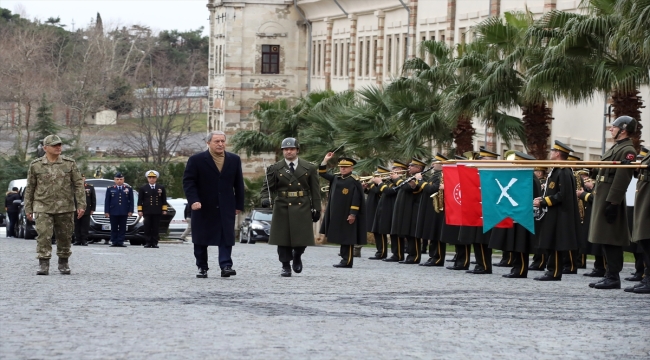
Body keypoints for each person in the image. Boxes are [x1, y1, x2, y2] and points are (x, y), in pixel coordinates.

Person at [183, 131, 245, 278]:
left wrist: (238, 205)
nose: (220, 144)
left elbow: (239, 184)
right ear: (208, 143)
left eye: (222, 141)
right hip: (203, 205)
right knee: (200, 238)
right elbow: (188, 182)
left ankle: (226, 266)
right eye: (217, 141)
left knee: (226, 237)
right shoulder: (196, 160)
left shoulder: (234, 159)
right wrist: (194, 200)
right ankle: (202, 267)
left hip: (226, 205)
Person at [23, 134, 86, 275]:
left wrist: (81, 204)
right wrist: (28, 207)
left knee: (65, 236)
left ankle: (63, 262)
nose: (58, 147)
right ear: (45, 148)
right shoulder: (36, 165)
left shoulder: (69, 163)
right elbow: (30, 188)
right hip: (42, 206)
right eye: (55, 145)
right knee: (43, 235)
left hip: (65, 206)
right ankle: (43, 263)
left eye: (60, 145)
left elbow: (78, 185)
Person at [587, 116, 637, 290]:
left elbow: (622, 178)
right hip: (603, 194)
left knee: (611, 238)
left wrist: (613, 202)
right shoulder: (617, 147)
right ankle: (609, 275)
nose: (611, 129)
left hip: (610, 197)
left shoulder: (627, 150)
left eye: (613, 127)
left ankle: (613, 276)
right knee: (604, 237)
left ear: (622, 129)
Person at [260, 137, 321, 277]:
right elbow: (267, 188)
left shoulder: (309, 167)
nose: (289, 152)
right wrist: (264, 198)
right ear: (282, 151)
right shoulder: (275, 168)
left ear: (297, 150)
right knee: (282, 238)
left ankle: (298, 255)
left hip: (302, 203)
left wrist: (316, 208)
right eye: (286, 149)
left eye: (292, 149)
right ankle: (285, 265)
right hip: (282, 204)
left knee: (302, 237)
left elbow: (315, 190)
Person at [533, 140, 581, 281]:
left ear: (558, 153)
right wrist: (541, 198)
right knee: (551, 242)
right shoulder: (557, 169)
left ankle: (554, 272)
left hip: (560, 213)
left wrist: (544, 201)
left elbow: (563, 194)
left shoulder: (564, 171)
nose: (551, 153)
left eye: (553, 151)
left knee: (556, 243)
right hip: (553, 212)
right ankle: (551, 270)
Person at [489, 151, 540, 278]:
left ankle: (521, 269)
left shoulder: (530, 178)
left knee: (522, 244)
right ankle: (516, 268)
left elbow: (531, 197)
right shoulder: (522, 176)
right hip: (517, 213)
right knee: (517, 243)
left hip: (525, 216)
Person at [319, 155, 366, 268]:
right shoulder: (336, 178)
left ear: (351, 168)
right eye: (341, 167)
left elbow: (357, 198)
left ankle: (347, 261)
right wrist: (325, 160)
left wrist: (352, 214)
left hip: (348, 213)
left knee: (348, 237)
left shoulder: (353, 181)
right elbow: (322, 173)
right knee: (342, 236)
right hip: (338, 213)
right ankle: (344, 259)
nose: (343, 169)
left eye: (345, 167)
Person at [391, 158, 427, 264]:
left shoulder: (420, 177)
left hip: (413, 209)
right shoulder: (411, 177)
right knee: (407, 233)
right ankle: (410, 255)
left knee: (412, 234)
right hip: (405, 209)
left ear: (418, 168)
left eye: (412, 165)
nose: (409, 167)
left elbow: (408, 188)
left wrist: (397, 179)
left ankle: (414, 256)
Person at [628, 145, 650, 293]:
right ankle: (647, 277)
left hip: (647, 199)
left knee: (646, 240)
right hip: (644, 198)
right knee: (644, 240)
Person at [418, 154, 447, 267]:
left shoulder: (441, 175)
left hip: (438, 208)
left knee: (436, 233)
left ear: (442, 165)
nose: (433, 164)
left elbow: (432, 189)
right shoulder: (434, 175)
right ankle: (433, 256)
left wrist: (421, 181)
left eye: (436, 162)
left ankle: (438, 257)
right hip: (431, 207)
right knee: (432, 233)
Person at [377, 161, 408, 262]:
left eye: (396, 169)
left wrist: (379, 183)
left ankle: (398, 254)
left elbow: (390, 191)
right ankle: (395, 253)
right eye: (393, 168)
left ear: (402, 171)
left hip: (395, 208)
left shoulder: (402, 181)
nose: (393, 170)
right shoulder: (391, 181)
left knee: (396, 233)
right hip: (388, 209)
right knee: (392, 233)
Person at [137, 170, 169, 248]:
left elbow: (164, 199)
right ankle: (148, 242)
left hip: (157, 210)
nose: (151, 179)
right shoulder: (143, 188)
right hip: (147, 211)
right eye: (150, 177)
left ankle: (154, 242)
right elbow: (140, 200)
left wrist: (164, 209)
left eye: (153, 178)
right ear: (147, 179)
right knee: (147, 227)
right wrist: (140, 210)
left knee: (155, 227)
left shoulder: (160, 188)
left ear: (156, 179)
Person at [365, 166, 390, 260]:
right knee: (375, 231)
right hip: (372, 208)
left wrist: (372, 184)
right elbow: (372, 192)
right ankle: (379, 251)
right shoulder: (376, 184)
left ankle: (382, 252)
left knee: (380, 232)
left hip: (378, 208)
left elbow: (378, 191)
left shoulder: (384, 183)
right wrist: (366, 188)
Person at [104, 172, 134, 247]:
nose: (119, 181)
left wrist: (130, 211)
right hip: (113, 211)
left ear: (123, 180)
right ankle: (114, 241)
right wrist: (106, 211)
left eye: (121, 179)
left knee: (122, 227)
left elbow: (131, 201)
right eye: (117, 179)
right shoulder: (110, 189)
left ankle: (120, 241)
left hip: (124, 211)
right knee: (114, 227)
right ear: (115, 180)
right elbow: (107, 201)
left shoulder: (128, 189)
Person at [73, 175, 96, 246]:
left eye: (82, 178)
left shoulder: (90, 187)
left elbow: (93, 199)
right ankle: (77, 239)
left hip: (86, 210)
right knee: (76, 225)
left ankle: (84, 240)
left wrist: (92, 209)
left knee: (85, 226)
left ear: (85, 179)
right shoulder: (73, 187)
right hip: (75, 209)